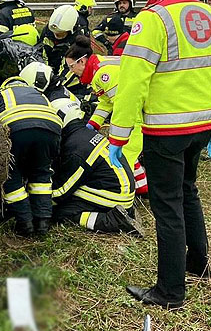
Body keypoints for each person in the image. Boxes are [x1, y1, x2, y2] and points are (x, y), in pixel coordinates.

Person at [109, 0, 211, 309]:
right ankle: (199, 264)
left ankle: (170, 291)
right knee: (188, 191)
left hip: (165, 131)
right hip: (203, 128)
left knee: (167, 207)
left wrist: (118, 137)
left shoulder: (151, 20)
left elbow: (132, 84)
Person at [64, 40, 147, 193]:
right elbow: (106, 102)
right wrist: (93, 124)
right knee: (126, 152)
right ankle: (142, 186)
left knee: (126, 153)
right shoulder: (97, 69)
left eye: (71, 66)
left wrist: (119, 133)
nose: (71, 71)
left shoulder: (103, 74)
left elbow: (123, 106)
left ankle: (134, 188)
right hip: (135, 108)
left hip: (137, 113)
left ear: (81, 61)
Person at [51, 100, 143, 236]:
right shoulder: (83, 135)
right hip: (121, 191)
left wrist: (38, 200)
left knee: (61, 212)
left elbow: (62, 190)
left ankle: (114, 221)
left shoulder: (76, 147)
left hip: (114, 196)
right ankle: (123, 212)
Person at [0, 76, 62, 236]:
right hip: (51, 129)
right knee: (41, 174)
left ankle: (25, 224)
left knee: (11, 175)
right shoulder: (38, 93)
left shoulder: (0, 94)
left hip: (16, 128)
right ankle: (43, 222)